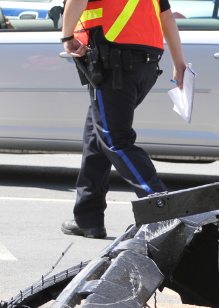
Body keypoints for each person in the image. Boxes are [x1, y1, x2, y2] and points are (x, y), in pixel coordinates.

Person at [60, 0, 186, 238]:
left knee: (116, 140)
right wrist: (179, 62)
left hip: (114, 65)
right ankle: (88, 218)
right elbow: (166, 16)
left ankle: (163, 211)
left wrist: (66, 37)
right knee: (95, 139)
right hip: (145, 66)